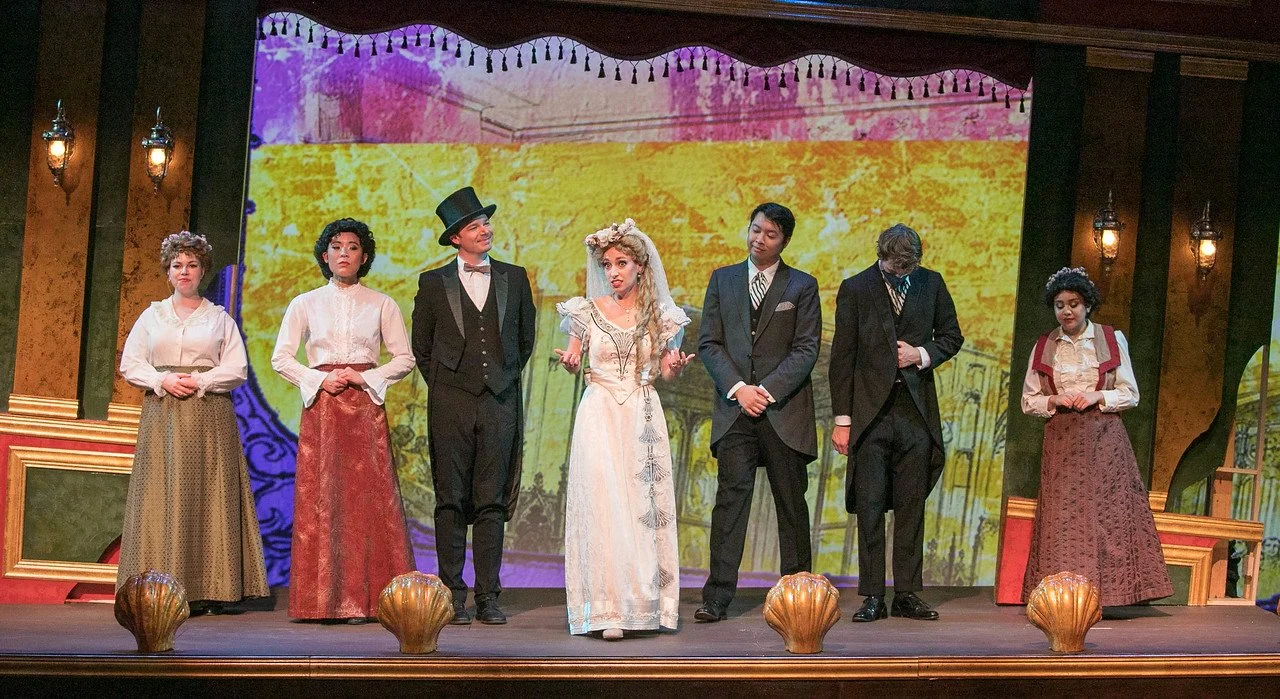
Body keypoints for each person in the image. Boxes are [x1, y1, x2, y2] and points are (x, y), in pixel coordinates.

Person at [554, 219, 695, 640]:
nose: (613, 271)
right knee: (602, 502)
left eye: (622, 262)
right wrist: (571, 363)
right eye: (607, 263)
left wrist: (673, 367)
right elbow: (577, 359)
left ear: (640, 267)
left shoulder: (662, 316)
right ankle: (605, 609)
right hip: (598, 411)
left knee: (637, 505)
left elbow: (666, 373)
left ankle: (642, 604)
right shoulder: (586, 311)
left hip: (640, 411)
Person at [271, 218, 417, 623]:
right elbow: (281, 357)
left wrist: (363, 376)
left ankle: (368, 601)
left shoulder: (382, 303)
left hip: (365, 409)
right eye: (336, 247)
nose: (344, 254)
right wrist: (320, 378)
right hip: (323, 407)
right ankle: (321, 601)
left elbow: (404, 358)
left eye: (352, 247)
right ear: (325, 255)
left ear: (364, 256)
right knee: (323, 498)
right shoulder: (305, 303)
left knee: (366, 500)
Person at [118, 230, 269, 614]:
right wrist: (162, 380)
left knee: (208, 497)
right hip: (164, 412)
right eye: (176, 266)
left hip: (209, 414)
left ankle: (211, 588)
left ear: (202, 270)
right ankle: (158, 586)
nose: (183, 272)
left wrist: (200, 380)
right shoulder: (152, 316)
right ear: (167, 271)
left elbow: (236, 369)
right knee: (163, 496)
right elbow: (131, 363)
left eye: (191, 265)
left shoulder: (219, 319)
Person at [411, 187, 536, 625]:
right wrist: (451, 385)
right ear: (454, 239)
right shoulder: (432, 283)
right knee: (450, 500)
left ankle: (488, 597)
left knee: (490, 502)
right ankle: (451, 595)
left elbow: (525, 341)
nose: (485, 229)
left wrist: (497, 380)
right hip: (450, 403)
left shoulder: (514, 277)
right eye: (474, 225)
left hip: (499, 401)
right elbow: (421, 348)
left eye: (486, 222)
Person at [829, 223, 963, 622]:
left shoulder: (932, 283)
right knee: (869, 507)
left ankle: (906, 592)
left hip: (915, 414)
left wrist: (920, 354)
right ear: (881, 256)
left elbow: (951, 337)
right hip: (870, 415)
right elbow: (842, 358)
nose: (901, 274)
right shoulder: (855, 288)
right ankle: (872, 594)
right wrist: (843, 419)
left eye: (908, 269)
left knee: (910, 506)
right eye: (895, 268)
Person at [695, 203, 822, 623]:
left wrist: (764, 391)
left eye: (769, 234)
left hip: (783, 412)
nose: (758, 239)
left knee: (791, 505)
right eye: (754, 230)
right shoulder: (723, 279)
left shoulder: (802, 286)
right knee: (729, 504)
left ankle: (799, 596)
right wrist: (739, 389)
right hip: (735, 412)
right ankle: (716, 597)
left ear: (783, 240)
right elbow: (709, 344)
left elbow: (806, 349)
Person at [1020, 267, 1172, 606]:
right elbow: (1028, 401)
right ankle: (1062, 599)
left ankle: (1109, 596)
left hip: (1104, 439)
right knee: (1062, 520)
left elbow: (1130, 394)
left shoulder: (1109, 338)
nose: (1067, 311)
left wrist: (1097, 396)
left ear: (1087, 304)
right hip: (1061, 440)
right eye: (1060, 305)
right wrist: (1055, 399)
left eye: (1073, 303)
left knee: (1107, 516)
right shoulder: (1045, 345)